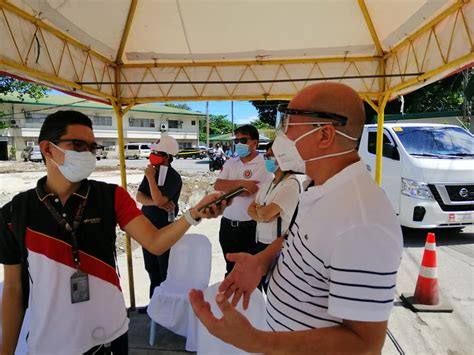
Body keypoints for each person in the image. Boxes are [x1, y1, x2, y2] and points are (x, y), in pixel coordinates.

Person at [189, 83, 404, 354]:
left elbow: (365, 344)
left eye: (289, 123)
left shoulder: (361, 220)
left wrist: (255, 341)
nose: (282, 134)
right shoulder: (319, 188)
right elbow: (295, 237)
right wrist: (262, 261)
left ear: (324, 135)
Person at [0, 110, 224, 355]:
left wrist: (194, 214)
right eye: (77, 144)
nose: (87, 153)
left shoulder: (111, 197)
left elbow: (156, 242)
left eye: (92, 147)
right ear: (47, 149)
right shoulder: (15, 213)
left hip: (109, 337)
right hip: (48, 343)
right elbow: (13, 290)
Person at [214, 124, 272, 275]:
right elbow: (218, 185)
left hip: (250, 227)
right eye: (237, 140)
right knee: (230, 270)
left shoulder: (264, 164)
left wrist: (234, 187)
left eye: (244, 140)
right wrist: (242, 183)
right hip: (227, 225)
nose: (239, 144)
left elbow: (248, 192)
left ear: (255, 142)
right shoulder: (230, 162)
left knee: (251, 272)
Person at [247, 141, 300, 290]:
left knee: (274, 289)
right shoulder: (269, 182)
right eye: (267, 155)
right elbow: (250, 209)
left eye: (272, 155)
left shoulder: (290, 184)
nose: (268, 158)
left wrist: (262, 212)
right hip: (260, 242)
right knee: (261, 288)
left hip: (276, 247)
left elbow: (264, 212)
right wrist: (262, 214)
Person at [136, 136, 182, 303]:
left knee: (164, 270)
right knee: (151, 268)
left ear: (168, 157)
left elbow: (160, 199)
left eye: (158, 153)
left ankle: (165, 306)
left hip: (164, 229)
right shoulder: (153, 171)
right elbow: (140, 196)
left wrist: (150, 179)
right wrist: (155, 203)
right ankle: (154, 304)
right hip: (147, 226)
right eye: (153, 152)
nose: (153, 155)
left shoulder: (173, 177)